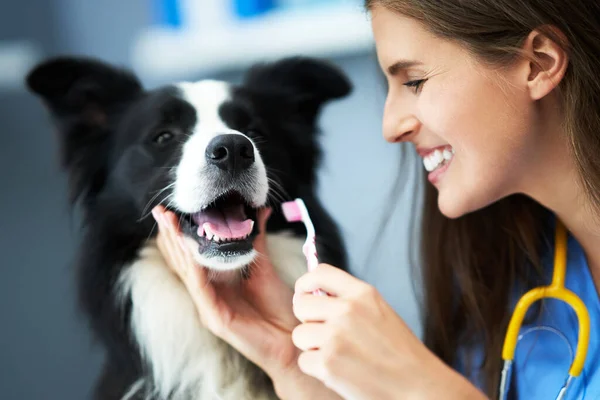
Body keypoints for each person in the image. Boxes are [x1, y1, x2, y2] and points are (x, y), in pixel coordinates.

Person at [151, 0, 600, 398]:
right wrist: (290, 359)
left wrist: (421, 385)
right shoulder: (511, 279)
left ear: (538, 63)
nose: (391, 127)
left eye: (415, 81)